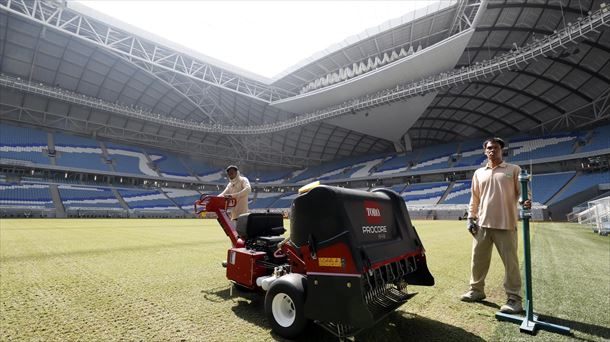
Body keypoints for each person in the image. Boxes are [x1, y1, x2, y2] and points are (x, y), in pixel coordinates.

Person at [460, 137, 531, 314]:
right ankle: (476, 290)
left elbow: (524, 193)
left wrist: (526, 201)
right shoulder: (479, 173)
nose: (492, 151)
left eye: (496, 148)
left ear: (502, 150)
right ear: (485, 151)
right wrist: (471, 217)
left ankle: (514, 299)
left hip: (505, 224)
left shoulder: (513, 170)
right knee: (478, 260)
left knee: (511, 263)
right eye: (489, 148)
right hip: (482, 224)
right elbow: (474, 198)